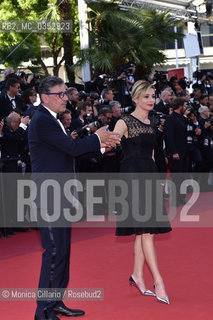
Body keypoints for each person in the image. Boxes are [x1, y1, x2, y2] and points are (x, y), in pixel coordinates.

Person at [28, 76, 120, 320]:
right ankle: (43, 312)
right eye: (60, 94)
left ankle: (55, 302)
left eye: (65, 93)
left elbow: (67, 152)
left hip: (59, 195)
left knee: (63, 252)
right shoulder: (42, 121)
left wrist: (100, 145)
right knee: (55, 253)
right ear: (46, 97)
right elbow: (71, 149)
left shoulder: (51, 119)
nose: (66, 98)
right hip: (48, 197)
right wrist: (99, 138)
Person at [113, 80, 171, 305]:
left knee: (145, 231)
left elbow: (155, 155)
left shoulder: (152, 123)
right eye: (146, 96)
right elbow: (113, 139)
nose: (151, 100)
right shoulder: (124, 121)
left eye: (153, 96)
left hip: (150, 175)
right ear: (136, 99)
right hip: (132, 179)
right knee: (146, 231)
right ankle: (159, 281)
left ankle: (137, 275)